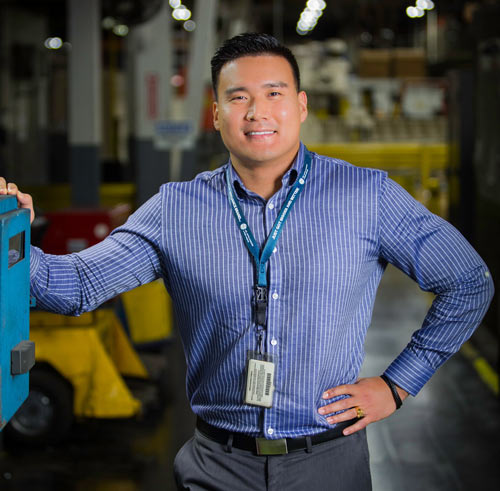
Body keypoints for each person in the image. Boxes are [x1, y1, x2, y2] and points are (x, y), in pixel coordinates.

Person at [0, 33, 494, 490]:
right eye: (238, 98)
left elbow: (469, 282)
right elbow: (77, 286)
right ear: (216, 114)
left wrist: (396, 385)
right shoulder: (176, 210)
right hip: (217, 466)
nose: (257, 112)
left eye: (274, 94)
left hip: (328, 465)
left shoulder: (367, 197)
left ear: (300, 106)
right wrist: (9, 238)